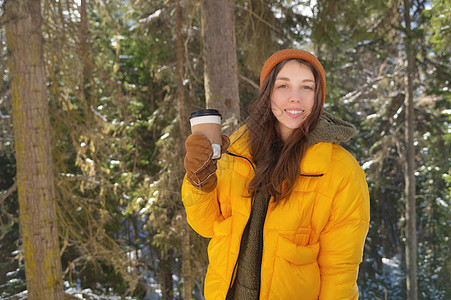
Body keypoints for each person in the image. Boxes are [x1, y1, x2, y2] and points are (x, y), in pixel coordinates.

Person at [182, 49, 370, 299]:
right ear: (268, 92)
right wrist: (199, 179)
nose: (295, 98)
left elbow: (340, 270)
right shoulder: (238, 149)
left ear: (318, 96)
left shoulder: (341, 170)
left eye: (307, 87)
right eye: (283, 86)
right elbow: (206, 225)